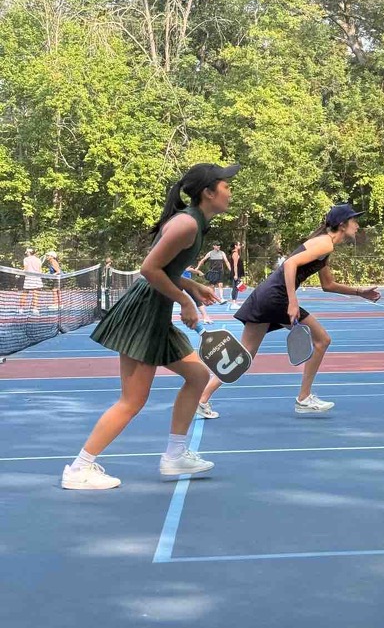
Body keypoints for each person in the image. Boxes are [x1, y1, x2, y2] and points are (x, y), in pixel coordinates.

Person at [60, 162, 240, 491]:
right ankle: (79, 467)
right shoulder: (187, 223)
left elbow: (166, 270)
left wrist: (190, 287)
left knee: (198, 375)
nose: (230, 190)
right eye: (226, 185)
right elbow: (149, 269)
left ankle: (174, 456)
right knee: (132, 400)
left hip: (155, 308)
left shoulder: (195, 224)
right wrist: (185, 301)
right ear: (208, 192)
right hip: (144, 312)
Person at [197, 203, 380, 419]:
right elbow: (291, 263)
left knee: (244, 355)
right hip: (276, 298)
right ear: (342, 224)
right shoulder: (324, 244)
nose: (357, 225)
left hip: (265, 296)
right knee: (322, 340)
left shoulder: (323, 247)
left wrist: (360, 292)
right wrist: (292, 302)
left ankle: (201, 400)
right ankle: (304, 398)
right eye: (354, 220)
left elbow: (328, 285)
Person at [18, 249, 43, 316]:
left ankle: (21, 309)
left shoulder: (26, 259)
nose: (26, 253)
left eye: (27, 252)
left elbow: (25, 269)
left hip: (29, 278)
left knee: (25, 293)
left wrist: (19, 273)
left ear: (29, 253)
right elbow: (40, 270)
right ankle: (35, 309)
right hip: (37, 277)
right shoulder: (38, 260)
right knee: (36, 294)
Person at [229, 241, 245, 311]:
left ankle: (234, 302)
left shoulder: (236, 253)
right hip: (236, 273)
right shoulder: (235, 254)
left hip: (238, 273)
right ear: (235, 246)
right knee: (235, 288)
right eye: (239, 244)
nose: (240, 246)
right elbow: (235, 265)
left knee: (238, 287)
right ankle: (233, 303)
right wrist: (235, 274)